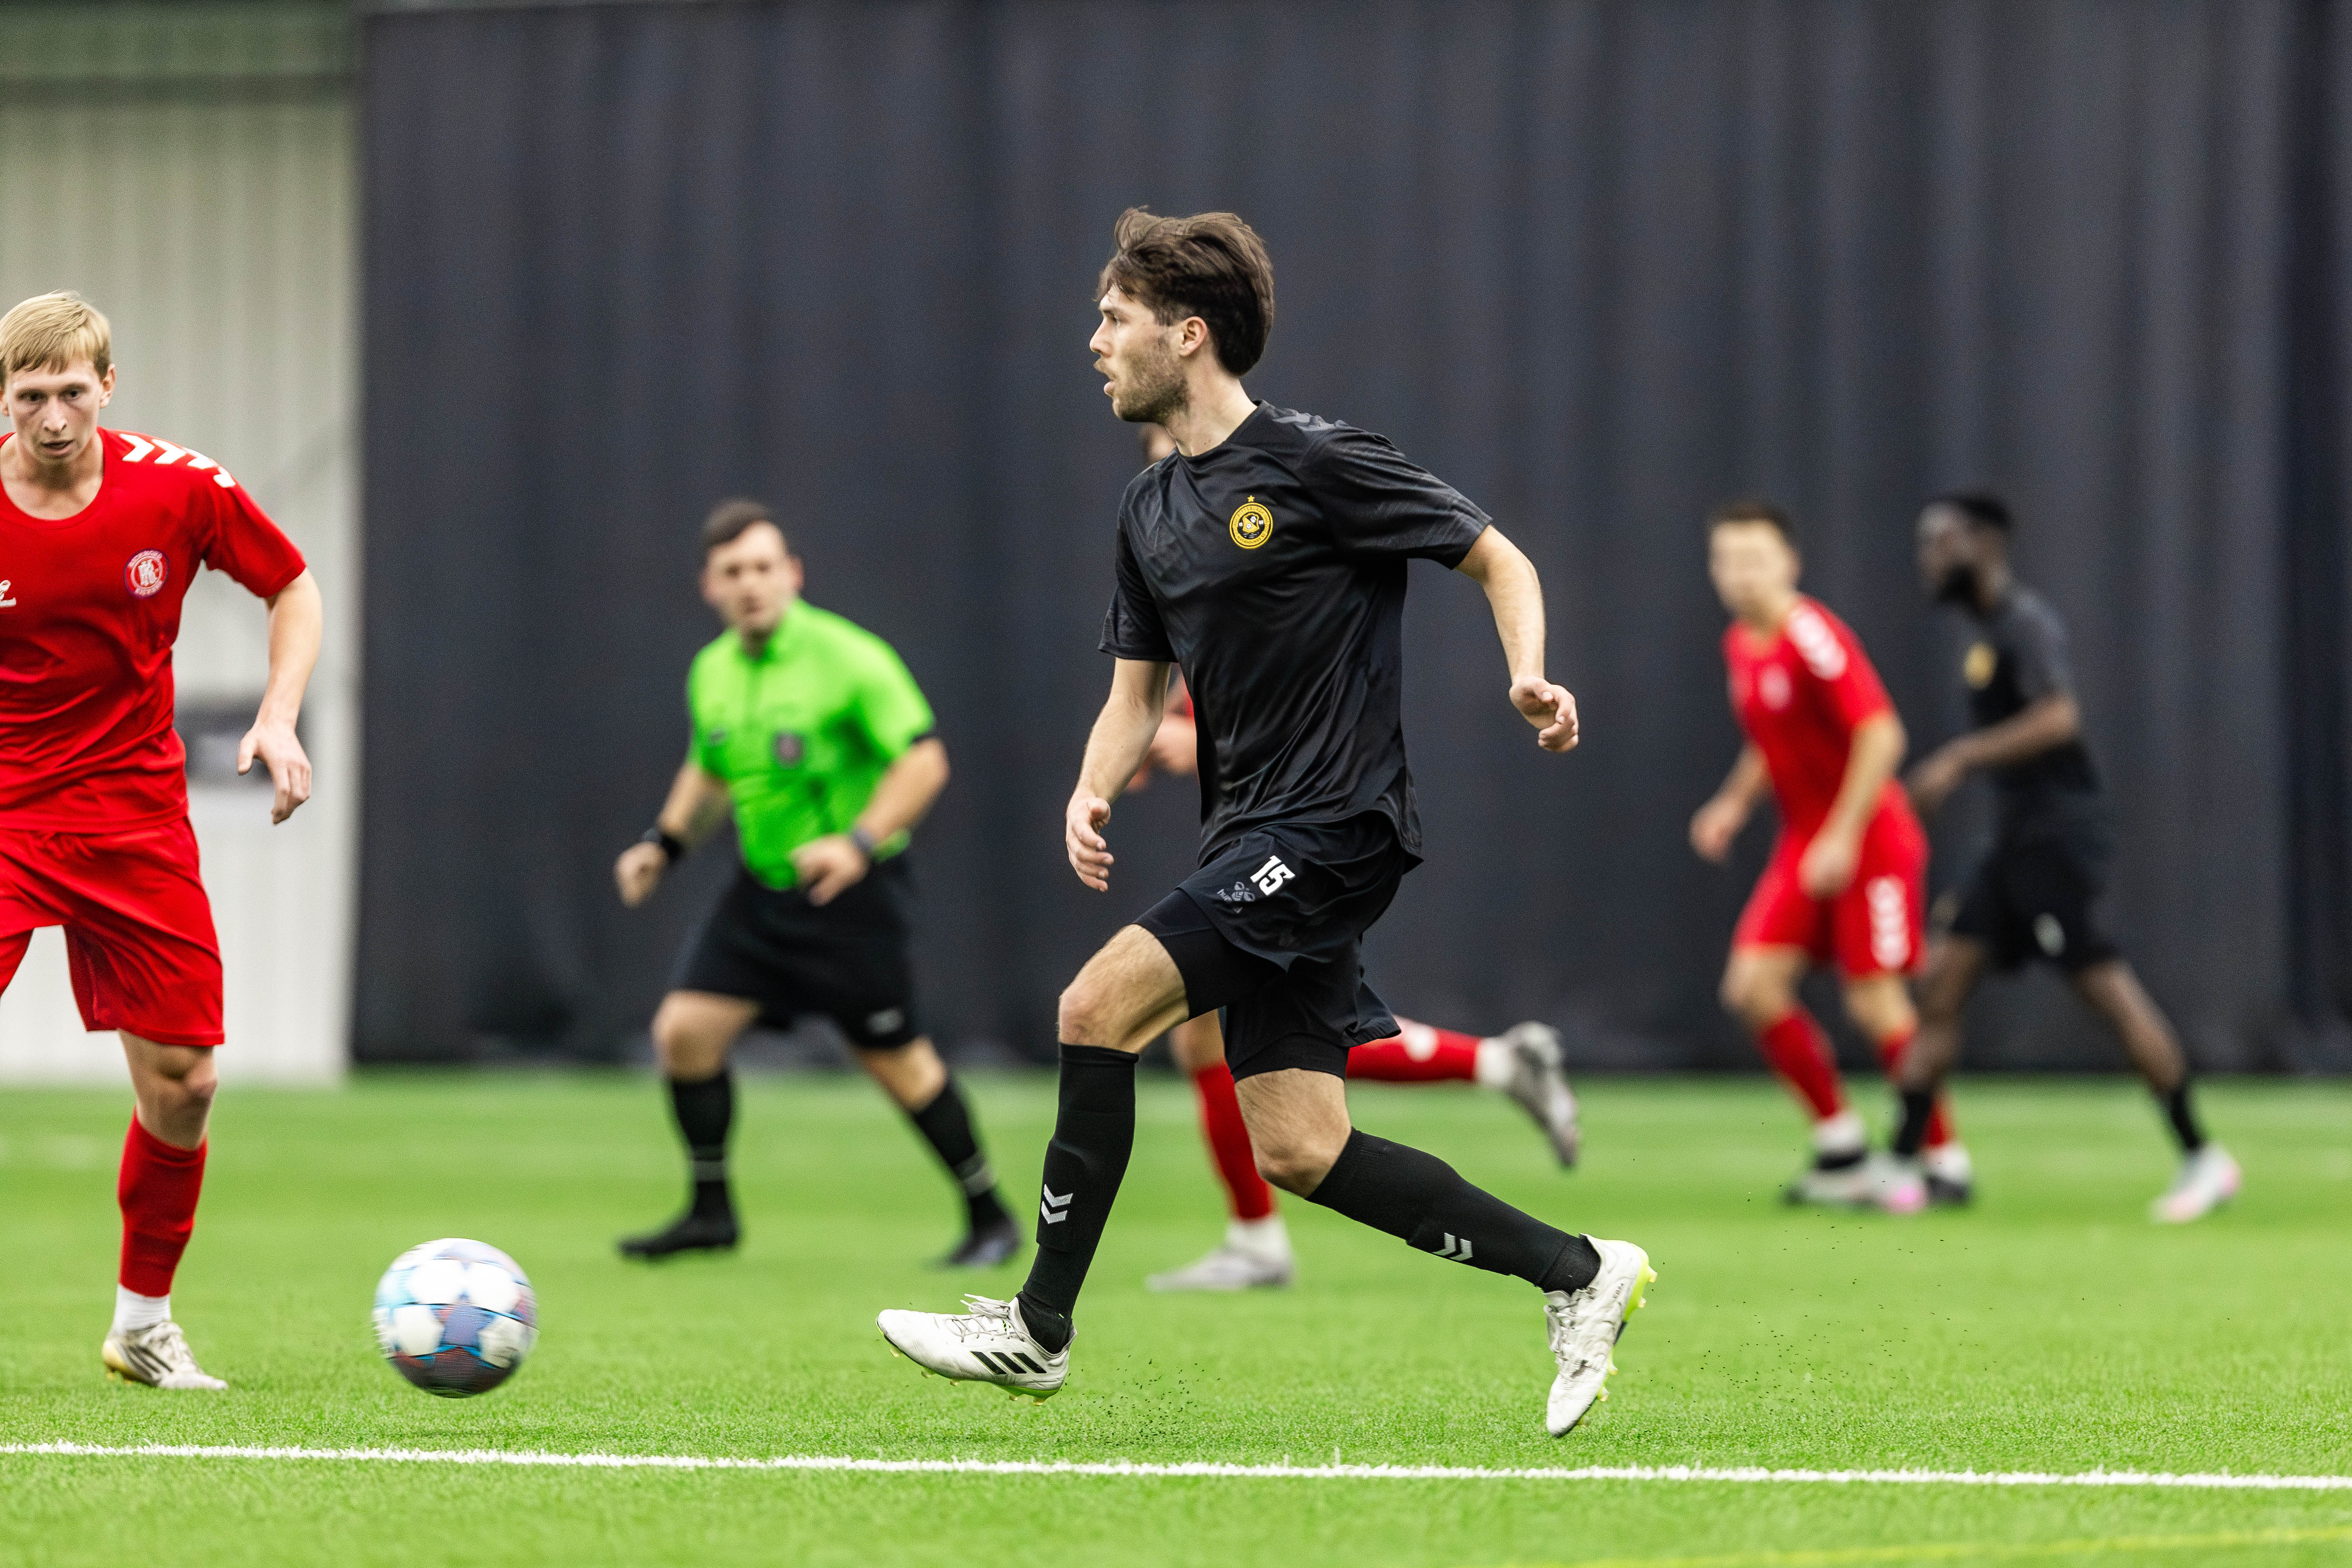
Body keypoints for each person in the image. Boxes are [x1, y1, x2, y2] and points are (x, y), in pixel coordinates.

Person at [880, 209, 1651, 1437]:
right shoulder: (1146, 510)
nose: (1094, 342)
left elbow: (1500, 559)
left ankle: (1035, 1327)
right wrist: (1088, 786)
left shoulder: (1318, 461)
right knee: (1298, 1143)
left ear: (1186, 337)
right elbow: (1133, 697)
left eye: (1113, 319)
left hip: (1336, 824)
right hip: (1246, 836)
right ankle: (1578, 1271)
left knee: (1093, 1007)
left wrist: (1527, 674)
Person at [0, 291, 321, 1390]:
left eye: (72, 391)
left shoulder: (181, 488)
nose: (52, 415)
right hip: (4, 812)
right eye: (30, 393)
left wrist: (277, 714)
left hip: (135, 814)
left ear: (109, 386)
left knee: (183, 1082)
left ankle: (142, 1323)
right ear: (6, 396)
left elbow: (292, 585)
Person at [612, 499, 1018, 1266]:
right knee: (683, 1035)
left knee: (898, 1063)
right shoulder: (714, 670)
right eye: (733, 572)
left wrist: (857, 844)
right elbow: (710, 770)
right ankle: (710, 1215)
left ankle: (989, 1217)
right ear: (710, 587)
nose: (751, 585)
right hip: (760, 894)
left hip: (851, 897)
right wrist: (661, 845)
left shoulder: (849, 658)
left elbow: (924, 761)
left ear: (793, 574)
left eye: (764, 568)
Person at [1128, 640, 1578, 1295]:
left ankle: (1257, 1243)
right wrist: (1165, 725)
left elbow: (1294, 700)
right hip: (1267, 834)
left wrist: (1192, 734)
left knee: (1249, 1042)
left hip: (1303, 835)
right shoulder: (1208, 571)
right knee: (1221, 1033)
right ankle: (1501, 1065)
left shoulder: (1271, 564)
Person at [1891, 493, 2238, 1222]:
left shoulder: (2025, 623)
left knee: (2107, 995)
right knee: (1941, 985)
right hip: (2012, 844)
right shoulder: (1983, 635)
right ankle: (1902, 1168)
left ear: (1984, 542)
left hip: (2057, 843)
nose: (1929, 557)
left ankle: (2201, 1158)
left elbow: (2059, 715)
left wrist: (1957, 760)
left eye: (1941, 541)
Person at [1689, 502, 1964, 1211]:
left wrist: (1842, 835)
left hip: (1868, 839)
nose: (1741, 575)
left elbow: (1880, 734)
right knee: (1751, 988)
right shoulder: (1741, 644)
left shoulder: (1810, 634)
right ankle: (1840, 1142)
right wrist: (1733, 803)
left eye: (1755, 559)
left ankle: (1940, 1159)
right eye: (1727, 560)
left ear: (1790, 563)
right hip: (1805, 841)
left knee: (1875, 1002)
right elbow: (1772, 736)